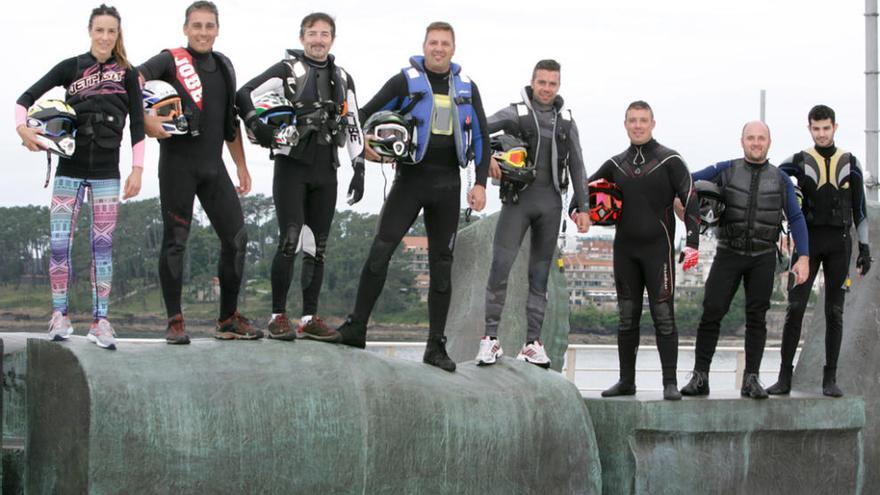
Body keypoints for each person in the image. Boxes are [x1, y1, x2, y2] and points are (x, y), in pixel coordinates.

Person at [328, 21, 489, 372]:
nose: (439, 48)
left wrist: (480, 184)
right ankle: (356, 327)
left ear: (453, 48)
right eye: (434, 43)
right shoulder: (405, 80)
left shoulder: (467, 86)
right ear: (424, 45)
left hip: (448, 184)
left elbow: (481, 138)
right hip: (411, 179)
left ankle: (435, 346)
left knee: (441, 267)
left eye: (445, 43)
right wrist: (364, 147)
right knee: (380, 250)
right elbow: (362, 113)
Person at [15, 4, 145, 351]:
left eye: (111, 31)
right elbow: (23, 99)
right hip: (68, 171)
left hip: (107, 173)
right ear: (90, 31)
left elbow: (137, 123)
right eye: (100, 30)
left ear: (119, 35)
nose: (105, 37)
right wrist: (23, 130)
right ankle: (60, 316)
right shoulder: (71, 66)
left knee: (101, 249)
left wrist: (138, 169)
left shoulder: (128, 73)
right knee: (59, 246)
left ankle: (101, 322)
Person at [236, 13, 364, 342]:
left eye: (324, 34)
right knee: (290, 239)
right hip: (292, 165)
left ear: (332, 39)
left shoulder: (343, 76)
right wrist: (259, 128)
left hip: (327, 169)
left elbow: (353, 124)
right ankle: (278, 316)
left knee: (317, 247)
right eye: (312, 34)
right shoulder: (287, 70)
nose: (318, 40)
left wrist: (359, 165)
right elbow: (243, 94)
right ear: (302, 37)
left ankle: (308, 317)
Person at [138, 1, 259, 344]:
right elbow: (134, 79)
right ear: (186, 29)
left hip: (213, 167)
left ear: (217, 29)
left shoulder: (223, 66)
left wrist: (241, 165)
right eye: (197, 26)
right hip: (178, 166)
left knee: (237, 239)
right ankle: (175, 320)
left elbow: (229, 124)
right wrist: (145, 120)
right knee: (175, 242)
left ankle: (227, 318)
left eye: (209, 26)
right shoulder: (170, 59)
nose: (203, 32)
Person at [681, 121, 810, 399]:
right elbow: (686, 182)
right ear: (742, 142)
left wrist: (805, 257)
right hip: (728, 252)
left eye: (760, 138)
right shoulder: (724, 170)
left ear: (769, 142)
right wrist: (686, 210)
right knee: (711, 312)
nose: (755, 142)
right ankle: (700, 376)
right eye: (750, 138)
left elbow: (797, 217)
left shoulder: (780, 179)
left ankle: (751, 379)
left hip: (763, 256)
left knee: (757, 318)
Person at [474, 59, 590, 368]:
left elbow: (578, 166)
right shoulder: (515, 113)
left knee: (539, 276)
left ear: (559, 85)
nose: (547, 89)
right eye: (542, 83)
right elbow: (477, 130)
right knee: (500, 266)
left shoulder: (566, 121)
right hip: (518, 203)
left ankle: (532, 343)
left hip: (551, 204)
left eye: (553, 84)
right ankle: (489, 339)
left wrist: (584, 207)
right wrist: (486, 163)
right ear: (532, 82)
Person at [581, 101, 700, 400]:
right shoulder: (615, 164)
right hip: (625, 251)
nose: (638, 125)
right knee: (626, 317)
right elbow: (582, 193)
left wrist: (693, 243)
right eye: (632, 120)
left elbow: (691, 198)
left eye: (643, 120)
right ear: (625, 124)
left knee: (663, 315)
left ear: (652, 123)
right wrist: (579, 212)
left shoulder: (669, 159)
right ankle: (626, 381)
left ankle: (669, 383)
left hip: (658, 251)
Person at [767, 105, 871, 397]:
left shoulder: (851, 162)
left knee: (834, 312)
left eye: (826, 128)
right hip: (807, 245)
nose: (822, 134)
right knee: (795, 308)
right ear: (810, 128)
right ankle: (784, 377)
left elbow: (860, 211)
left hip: (840, 243)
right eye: (816, 128)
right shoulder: (798, 160)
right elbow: (769, 178)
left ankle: (829, 379)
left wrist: (864, 248)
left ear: (835, 128)